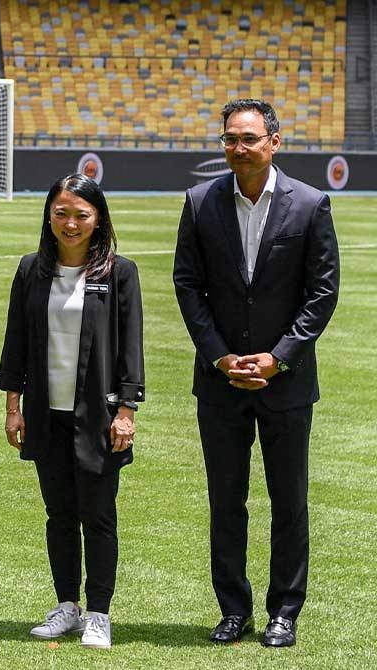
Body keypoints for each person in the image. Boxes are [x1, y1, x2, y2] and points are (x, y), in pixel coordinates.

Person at [173, 99, 340, 648]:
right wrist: (221, 356)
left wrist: (279, 355)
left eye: (248, 138)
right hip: (219, 382)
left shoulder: (311, 205)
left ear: (274, 141)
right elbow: (187, 286)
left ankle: (284, 611)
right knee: (226, 499)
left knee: (288, 499)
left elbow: (322, 292)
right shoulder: (200, 202)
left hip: (286, 382)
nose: (238, 148)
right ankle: (233, 609)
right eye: (229, 139)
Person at [0, 173, 144, 650]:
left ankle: (99, 613)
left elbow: (131, 353)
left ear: (98, 219)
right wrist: (13, 407)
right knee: (59, 514)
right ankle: (67, 605)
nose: (71, 223)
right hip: (45, 414)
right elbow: (14, 344)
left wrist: (127, 413)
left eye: (82, 214)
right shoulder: (30, 270)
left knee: (98, 516)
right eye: (61, 213)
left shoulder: (120, 273)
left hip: (99, 418)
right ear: (49, 216)